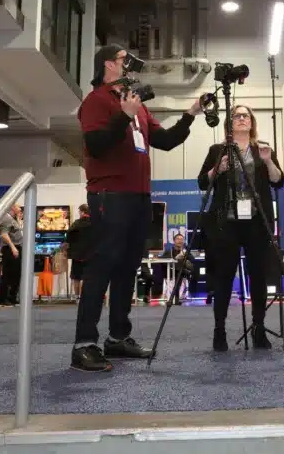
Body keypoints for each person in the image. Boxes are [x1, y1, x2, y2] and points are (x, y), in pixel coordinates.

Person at [72, 44, 202, 372]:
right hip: (109, 194)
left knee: (128, 267)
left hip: (139, 196)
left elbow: (167, 141)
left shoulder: (138, 106)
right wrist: (123, 116)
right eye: (123, 59)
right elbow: (97, 146)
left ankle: (117, 337)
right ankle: (84, 343)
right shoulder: (97, 101)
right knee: (101, 267)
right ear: (107, 65)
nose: (131, 65)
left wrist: (189, 114)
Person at [197, 104, 284, 352]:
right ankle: (219, 330)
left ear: (252, 122)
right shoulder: (217, 149)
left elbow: (278, 181)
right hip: (226, 222)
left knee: (258, 276)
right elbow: (203, 182)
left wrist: (268, 162)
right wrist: (218, 169)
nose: (242, 119)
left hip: (257, 222)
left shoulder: (263, 149)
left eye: (246, 115)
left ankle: (259, 328)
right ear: (230, 122)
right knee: (224, 277)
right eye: (237, 115)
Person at [0, 205, 24, 306]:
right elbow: (4, 234)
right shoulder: (6, 218)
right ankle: (2, 300)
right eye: (18, 207)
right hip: (10, 249)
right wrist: (13, 247)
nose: (20, 209)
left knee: (16, 274)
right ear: (12, 207)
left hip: (17, 248)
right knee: (8, 274)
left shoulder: (14, 219)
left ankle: (12, 298)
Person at [66, 204, 94, 298]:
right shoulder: (94, 223)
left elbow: (68, 237)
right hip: (90, 256)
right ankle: (85, 297)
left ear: (82, 212)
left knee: (76, 278)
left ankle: (78, 297)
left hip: (77, 256)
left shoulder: (76, 223)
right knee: (87, 278)